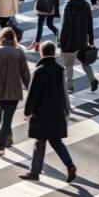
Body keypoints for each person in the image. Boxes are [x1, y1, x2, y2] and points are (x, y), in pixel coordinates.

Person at [19, 40, 76, 182]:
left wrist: (27, 112)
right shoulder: (59, 69)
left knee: (40, 141)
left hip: (42, 113)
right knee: (56, 141)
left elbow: (33, 94)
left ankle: (34, 172)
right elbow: (63, 92)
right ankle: (69, 165)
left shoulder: (39, 71)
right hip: (57, 112)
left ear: (41, 52)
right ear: (53, 53)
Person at [0, 28, 30, 155]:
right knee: (6, 119)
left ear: (0, 38)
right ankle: (8, 138)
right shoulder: (19, 53)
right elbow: (26, 75)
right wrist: (32, 91)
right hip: (14, 92)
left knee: (3, 118)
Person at [59, 0, 99, 93]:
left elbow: (65, 27)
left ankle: (69, 86)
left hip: (69, 43)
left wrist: (60, 41)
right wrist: (91, 42)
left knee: (68, 65)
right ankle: (93, 80)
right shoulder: (86, 5)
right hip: (82, 42)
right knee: (85, 62)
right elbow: (90, 24)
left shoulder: (68, 7)